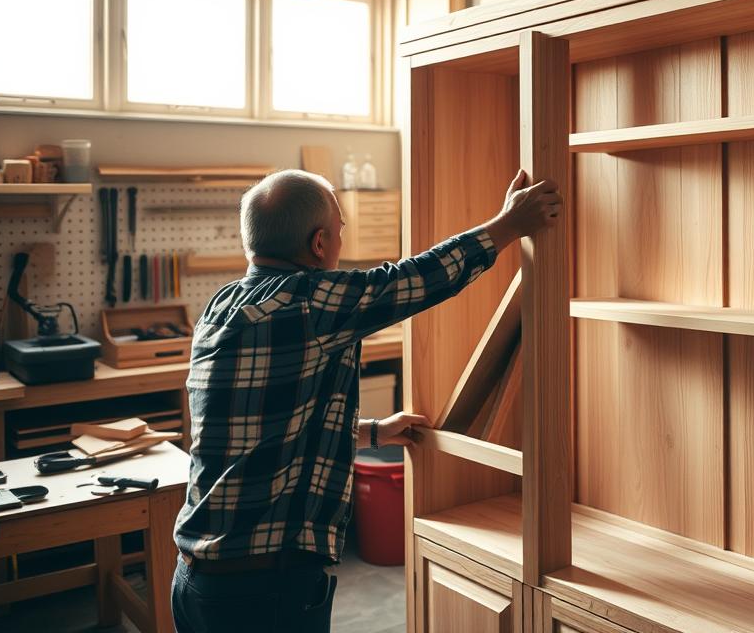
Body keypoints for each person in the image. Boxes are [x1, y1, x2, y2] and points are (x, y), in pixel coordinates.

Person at [171, 168, 560, 633]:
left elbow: (264, 428)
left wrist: (373, 432)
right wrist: (508, 224)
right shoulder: (309, 303)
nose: (339, 242)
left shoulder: (222, 306)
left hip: (197, 582)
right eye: (339, 231)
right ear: (319, 244)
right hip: (262, 594)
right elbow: (419, 278)